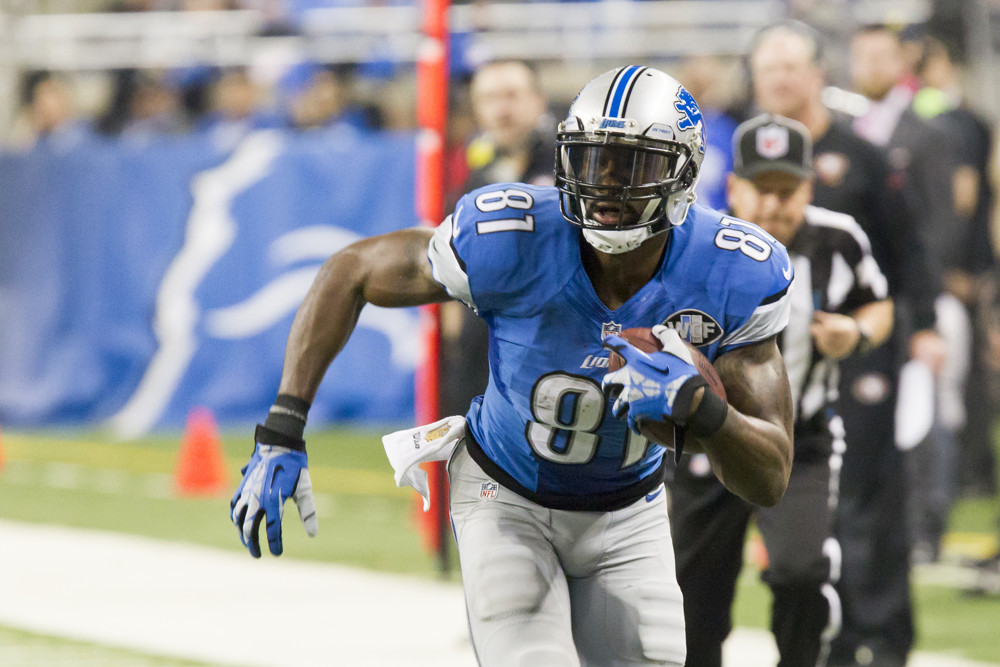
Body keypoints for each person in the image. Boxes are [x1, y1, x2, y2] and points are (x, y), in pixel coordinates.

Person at [229, 66, 796, 665]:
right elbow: (352, 270)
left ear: (682, 171)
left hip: (629, 512)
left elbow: (770, 476)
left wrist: (702, 412)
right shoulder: (512, 234)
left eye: (631, 164)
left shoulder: (732, 271)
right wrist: (282, 428)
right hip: (507, 495)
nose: (604, 185)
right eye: (590, 158)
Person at [748, 21, 943, 667]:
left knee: (866, 494)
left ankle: (884, 636)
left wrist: (923, 327)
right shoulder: (740, 161)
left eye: (790, 67)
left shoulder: (857, 153)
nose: (778, 79)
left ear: (816, 75)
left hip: (860, 353)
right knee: (806, 510)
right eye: (767, 68)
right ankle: (833, 640)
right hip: (775, 371)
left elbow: (910, 248)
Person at [669, 114, 893, 667]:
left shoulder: (839, 239)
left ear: (809, 189)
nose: (772, 205)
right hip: (704, 439)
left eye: (786, 191)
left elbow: (879, 302)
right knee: (692, 593)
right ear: (734, 187)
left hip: (801, 439)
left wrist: (857, 333)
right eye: (760, 190)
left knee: (801, 572)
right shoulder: (692, 245)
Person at [440, 59, 556, 418]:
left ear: (538, 101)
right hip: (482, 356)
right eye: (489, 98)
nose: (501, 109)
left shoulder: (569, 167)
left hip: (553, 352)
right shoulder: (473, 179)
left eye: (511, 95)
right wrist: (454, 335)